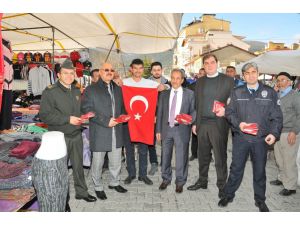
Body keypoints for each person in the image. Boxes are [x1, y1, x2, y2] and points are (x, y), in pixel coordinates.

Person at [218, 62, 283, 212]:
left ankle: (260, 200)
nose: (251, 75)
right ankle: (228, 194)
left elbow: (277, 117)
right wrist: (239, 124)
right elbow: (229, 112)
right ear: (243, 76)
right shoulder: (237, 92)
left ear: (258, 73)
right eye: (247, 73)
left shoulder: (270, 93)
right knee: (236, 168)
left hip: (260, 140)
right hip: (241, 138)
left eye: (254, 72)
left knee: (260, 171)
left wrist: (274, 134)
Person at [39, 59, 97, 210]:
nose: (69, 76)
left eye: (72, 73)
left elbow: (79, 110)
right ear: (58, 75)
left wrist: (85, 115)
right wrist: (67, 119)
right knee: (60, 171)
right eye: (66, 73)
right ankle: (63, 200)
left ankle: (82, 192)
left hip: (76, 134)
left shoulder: (77, 89)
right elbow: (44, 116)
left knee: (78, 167)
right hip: (60, 137)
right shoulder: (50, 91)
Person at [187, 54, 234, 199]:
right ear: (203, 65)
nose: (209, 65)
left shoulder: (228, 80)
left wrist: (226, 110)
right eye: (206, 63)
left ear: (217, 63)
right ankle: (202, 181)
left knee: (220, 157)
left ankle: (222, 186)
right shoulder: (199, 82)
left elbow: (235, 102)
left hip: (218, 124)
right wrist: (194, 123)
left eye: (212, 62)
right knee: (203, 156)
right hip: (202, 124)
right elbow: (196, 105)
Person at [81, 63, 127, 200]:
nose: (109, 72)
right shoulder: (91, 89)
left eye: (111, 70)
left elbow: (122, 108)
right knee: (98, 161)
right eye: (106, 70)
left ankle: (114, 182)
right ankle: (98, 186)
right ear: (100, 72)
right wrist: (105, 121)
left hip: (116, 130)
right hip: (100, 130)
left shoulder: (118, 89)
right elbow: (86, 110)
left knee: (116, 159)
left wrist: (124, 116)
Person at [156, 69, 196, 193]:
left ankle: (180, 181)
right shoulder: (164, 94)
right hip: (166, 129)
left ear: (182, 80)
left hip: (182, 129)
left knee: (181, 157)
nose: (175, 80)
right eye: (173, 78)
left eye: (178, 78)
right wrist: (158, 130)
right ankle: (166, 178)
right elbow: (160, 113)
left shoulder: (190, 94)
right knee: (165, 156)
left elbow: (194, 111)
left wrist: (190, 120)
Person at [123, 59, 161, 185]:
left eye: (140, 68)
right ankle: (131, 174)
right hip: (129, 121)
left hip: (144, 122)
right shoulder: (124, 82)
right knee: (129, 150)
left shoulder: (149, 83)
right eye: (135, 68)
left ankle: (143, 175)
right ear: (131, 69)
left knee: (143, 150)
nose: (138, 71)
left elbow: (165, 86)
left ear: (143, 70)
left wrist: (164, 86)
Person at [270, 72, 300, 196]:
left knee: (289, 160)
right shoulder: (277, 95)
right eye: (278, 80)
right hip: (277, 132)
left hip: (289, 132)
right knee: (279, 159)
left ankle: (291, 186)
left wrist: (294, 131)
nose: (280, 82)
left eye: (283, 80)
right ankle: (282, 178)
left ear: (290, 82)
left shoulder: (295, 96)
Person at [147, 61, 170, 175]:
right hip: (151, 117)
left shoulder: (167, 82)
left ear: (162, 70)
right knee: (151, 141)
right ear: (151, 71)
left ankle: (164, 163)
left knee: (165, 140)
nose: (156, 72)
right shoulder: (146, 83)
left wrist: (166, 86)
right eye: (154, 70)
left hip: (165, 117)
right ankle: (154, 163)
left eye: (158, 70)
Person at [187, 67, 206, 161]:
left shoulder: (211, 86)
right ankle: (194, 154)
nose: (201, 75)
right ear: (198, 75)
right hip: (195, 113)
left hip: (207, 114)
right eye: (200, 73)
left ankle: (207, 155)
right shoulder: (192, 86)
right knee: (194, 135)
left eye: (204, 73)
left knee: (207, 136)